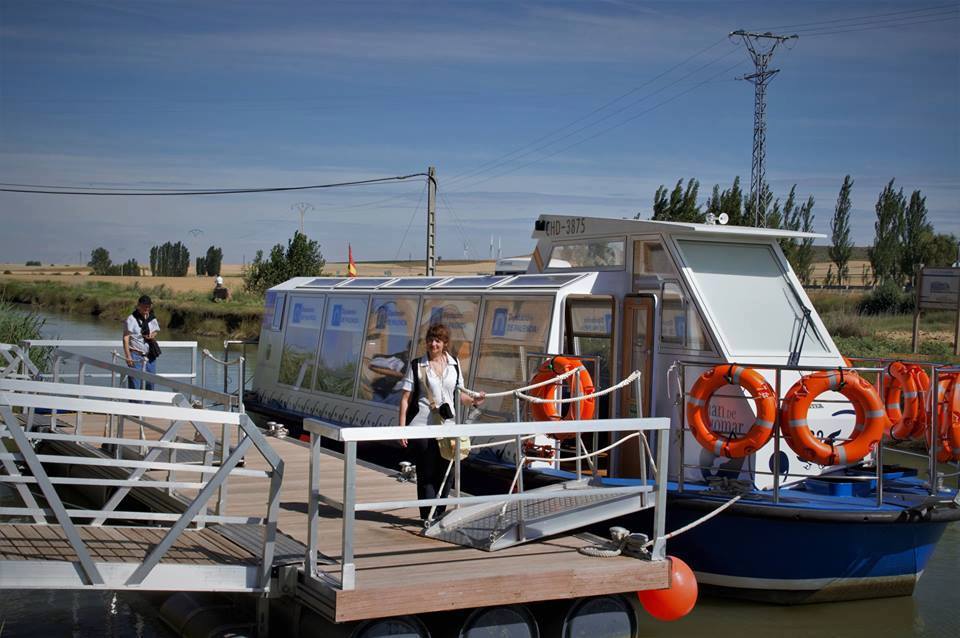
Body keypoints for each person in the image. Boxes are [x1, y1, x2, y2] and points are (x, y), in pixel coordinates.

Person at [398, 323, 484, 523]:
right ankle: (427, 517)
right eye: (430, 340)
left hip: (448, 426)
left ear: (445, 343)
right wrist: (401, 429)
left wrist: (474, 400)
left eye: (437, 340)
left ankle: (439, 515)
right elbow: (405, 399)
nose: (432, 344)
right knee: (426, 472)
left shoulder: (454, 364)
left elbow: (460, 395)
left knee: (447, 471)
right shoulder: (417, 365)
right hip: (422, 426)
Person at [123, 294, 161, 391]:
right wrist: (128, 356)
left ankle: (148, 406)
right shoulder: (131, 319)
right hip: (135, 355)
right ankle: (134, 406)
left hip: (150, 355)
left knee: (150, 383)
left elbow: (156, 330)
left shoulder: (152, 318)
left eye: (149, 306)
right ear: (138, 305)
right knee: (135, 384)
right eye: (145, 305)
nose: (147, 308)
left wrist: (152, 335)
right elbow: (126, 338)